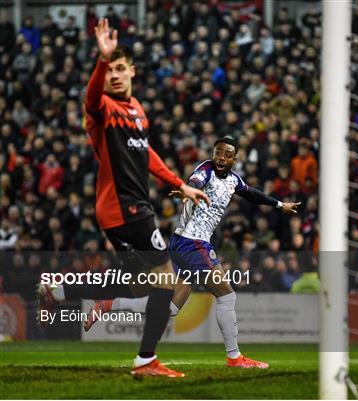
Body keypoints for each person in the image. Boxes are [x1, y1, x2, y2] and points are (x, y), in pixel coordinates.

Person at [37, 18, 209, 378]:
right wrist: (100, 60)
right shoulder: (102, 110)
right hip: (125, 206)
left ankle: (58, 290)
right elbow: (90, 98)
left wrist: (181, 183)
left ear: (132, 71)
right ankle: (146, 360)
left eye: (119, 68)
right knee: (166, 278)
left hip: (127, 206)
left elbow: (146, 155)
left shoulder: (137, 111)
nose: (114, 74)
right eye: (109, 69)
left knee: (138, 283)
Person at [84, 137, 301, 369]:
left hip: (181, 242)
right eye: (218, 152)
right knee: (227, 295)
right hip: (192, 242)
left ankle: (108, 304)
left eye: (227, 155)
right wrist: (187, 191)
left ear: (234, 160)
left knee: (170, 307)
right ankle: (234, 358)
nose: (221, 158)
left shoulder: (234, 181)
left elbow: (252, 193)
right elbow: (195, 182)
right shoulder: (205, 169)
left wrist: (280, 205)